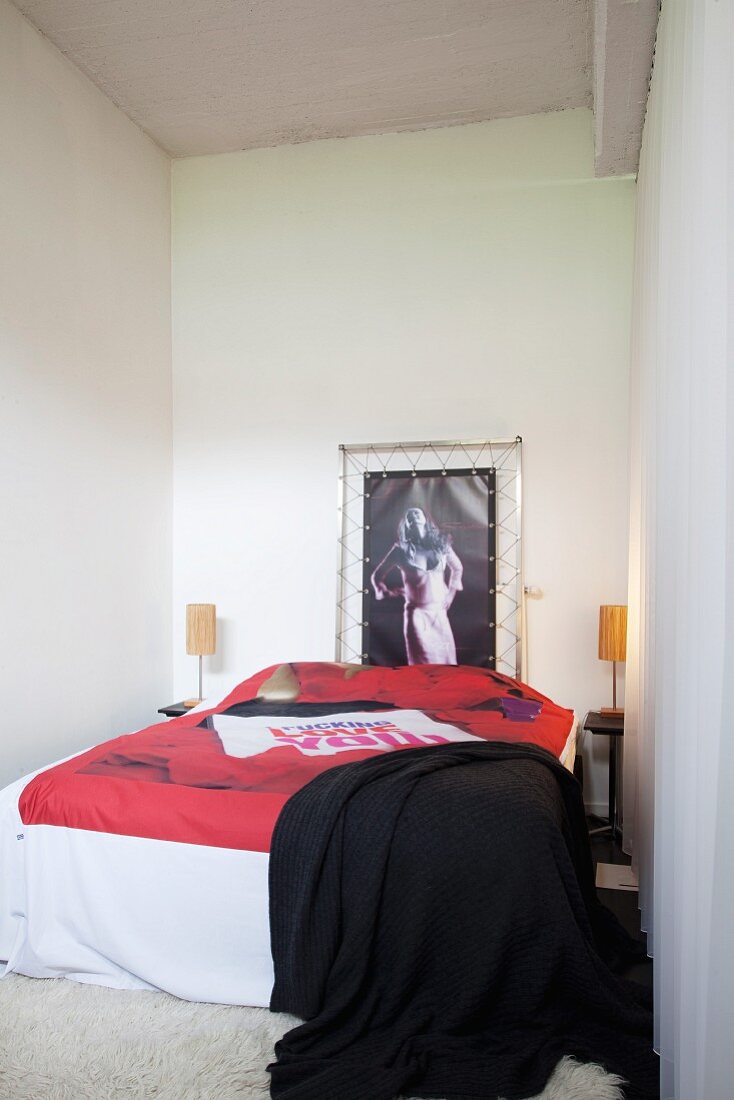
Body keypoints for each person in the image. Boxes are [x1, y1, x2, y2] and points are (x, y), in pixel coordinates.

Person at [371, 506, 463, 664]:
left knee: (447, 665)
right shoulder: (401, 550)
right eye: (409, 514)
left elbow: (457, 568)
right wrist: (384, 592)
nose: (414, 514)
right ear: (407, 524)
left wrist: (451, 595)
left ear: (425, 519)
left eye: (417, 512)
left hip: (439, 614)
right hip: (417, 616)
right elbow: (377, 576)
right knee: (423, 665)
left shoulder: (441, 545)